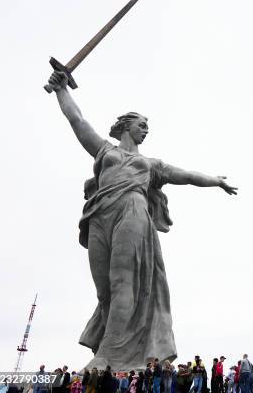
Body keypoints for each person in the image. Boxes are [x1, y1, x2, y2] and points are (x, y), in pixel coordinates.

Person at [46, 71, 238, 370]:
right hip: (99, 214)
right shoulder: (104, 150)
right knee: (104, 290)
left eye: (147, 126)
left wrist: (215, 180)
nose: (146, 130)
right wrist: (61, 90)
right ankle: (114, 346)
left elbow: (185, 175)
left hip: (132, 211)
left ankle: (108, 355)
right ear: (125, 126)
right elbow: (78, 121)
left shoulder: (150, 165)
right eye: (142, 125)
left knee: (124, 280)